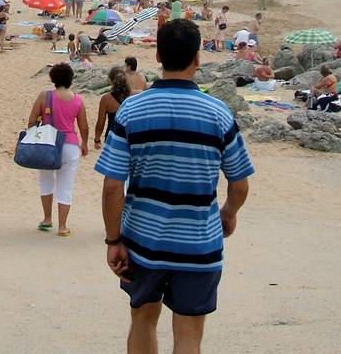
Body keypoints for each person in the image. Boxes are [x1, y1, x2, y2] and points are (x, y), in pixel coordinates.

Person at [95, 19, 253, 351]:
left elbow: (112, 187)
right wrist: (228, 213)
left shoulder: (131, 111)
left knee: (142, 320)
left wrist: (113, 240)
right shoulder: (219, 114)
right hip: (199, 242)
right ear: (198, 58)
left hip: (143, 241)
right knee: (189, 334)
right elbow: (239, 184)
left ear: (157, 55)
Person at [28, 63, 88, 235]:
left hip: (47, 143)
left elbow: (31, 121)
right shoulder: (77, 100)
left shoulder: (44, 96)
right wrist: (84, 143)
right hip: (69, 145)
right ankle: (62, 226)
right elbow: (83, 126)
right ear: (71, 79)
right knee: (65, 185)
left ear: (52, 78)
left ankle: (47, 219)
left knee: (45, 181)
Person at [95, 66, 131, 149]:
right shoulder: (137, 94)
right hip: (132, 137)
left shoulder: (106, 99)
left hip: (113, 138)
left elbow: (100, 122)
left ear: (111, 81)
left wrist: (97, 139)